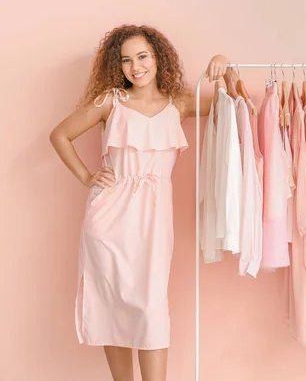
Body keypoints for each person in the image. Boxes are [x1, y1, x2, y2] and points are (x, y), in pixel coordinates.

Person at [49, 24, 234, 381]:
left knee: (150, 306)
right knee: (112, 306)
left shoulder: (177, 103)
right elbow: (59, 135)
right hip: (108, 219)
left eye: (143, 56)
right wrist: (88, 177)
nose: (136, 67)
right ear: (118, 67)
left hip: (153, 219)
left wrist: (224, 66)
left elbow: (231, 107)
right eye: (126, 60)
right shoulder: (110, 102)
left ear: (157, 57)